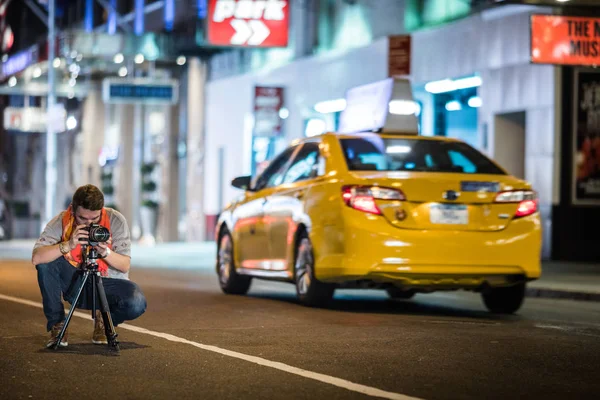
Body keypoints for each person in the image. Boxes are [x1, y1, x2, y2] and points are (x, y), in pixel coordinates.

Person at [32, 184, 147, 348]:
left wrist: (105, 251)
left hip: (106, 282)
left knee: (137, 301)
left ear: (101, 210)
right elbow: (37, 258)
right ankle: (58, 325)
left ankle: (105, 320)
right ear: (72, 210)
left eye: (95, 219)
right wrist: (68, 244)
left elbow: (124, 265)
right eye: (83, 219)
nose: (89, 224)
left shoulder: (116, 220)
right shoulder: (61, 221)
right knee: (45, 264)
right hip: (75, 282)